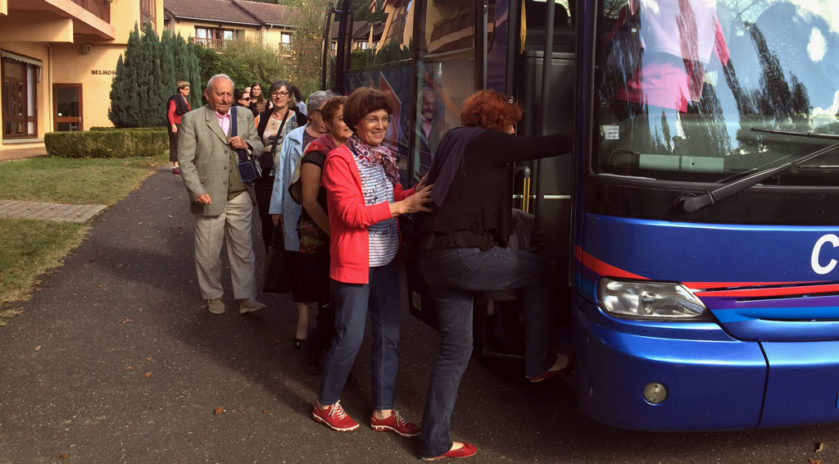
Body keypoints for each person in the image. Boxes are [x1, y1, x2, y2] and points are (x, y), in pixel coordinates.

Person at [412, 90, 573, 461]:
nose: (515, 129)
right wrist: (595, 133)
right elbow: (548, 145)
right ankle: (539, 361)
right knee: (543, 272)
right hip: (463, 256)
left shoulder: (454, 139)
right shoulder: (490, 142)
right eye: (513, 122)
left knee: (455, 351)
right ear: (502, 121)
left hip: (434, 258)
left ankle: (433, 442)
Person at [312, 87, 433, 437]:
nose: (380, 125)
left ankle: (384, 410)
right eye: (372, 119)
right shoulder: (339, 160)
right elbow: (348, 213)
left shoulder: (382, 157)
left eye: (384, 119)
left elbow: (392, 197)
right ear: (355, 121)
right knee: (350, 337)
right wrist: (400, 207)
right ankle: (324, 403)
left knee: (389, 336)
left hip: (386, 260)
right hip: (355, 264)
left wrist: (415, 192)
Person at [177, 74, 266, 315]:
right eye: (220, 93)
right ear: (207, 95)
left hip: (240, 193)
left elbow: (259, 146)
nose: (225, 98)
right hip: (209, 195)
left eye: (229, 94)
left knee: (243, 250)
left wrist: (246, 143)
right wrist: (197, 190)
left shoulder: (245, 115)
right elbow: (185, 161)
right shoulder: (192, 119)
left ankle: (246, 298)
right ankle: (212, 295)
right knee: (208, 252)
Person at [292, 95, 353, 373]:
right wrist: (334, 233)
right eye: (342, 118)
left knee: (344, 301)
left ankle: (335, 356)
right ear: (327, 123)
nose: (349, 123)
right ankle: (318, 351)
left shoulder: (357, 149)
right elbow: (309, 201)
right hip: (321, 234)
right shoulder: (316, 152)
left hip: (347, 234)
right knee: (328, 298)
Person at [269, 90, 334, 350]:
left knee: (327, 268)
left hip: (328, 212)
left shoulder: (338, 138)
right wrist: (276, 208)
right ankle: (303, 320)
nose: (330, 117)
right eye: (325, 112)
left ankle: (325, 318)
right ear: (313, 113)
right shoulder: (295, 138)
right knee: (302, 268)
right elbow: (282, 174)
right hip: (300, 213)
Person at [255, 80, 301, 253]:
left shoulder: (299, 118)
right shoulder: (261, 118)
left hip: (292, 176)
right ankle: (272, 255)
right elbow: (253, 141)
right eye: (275, 92)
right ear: (270, 95)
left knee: (292, 217)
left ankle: (291, 257)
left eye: (283, 93)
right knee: (268, 220)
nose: (278, 96)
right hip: (266, 177)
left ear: (289, 97)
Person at [417, 87, 448, 174]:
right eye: (427, 104)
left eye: (433, 104)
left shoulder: (442, 126)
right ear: (420, 104)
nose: (430, 108)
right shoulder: (410, 124)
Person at [167, 80, 192, 175]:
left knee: (183, 144)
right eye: (186, 89)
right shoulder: (175, 99)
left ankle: (182, 164)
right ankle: (175, 166)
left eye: (188, 89)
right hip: (175, 124)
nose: (188, 90)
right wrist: (173, 125)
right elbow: (170, 112)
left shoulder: (184, 99)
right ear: (180, 90)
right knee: (175, 144)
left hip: (183, 125)